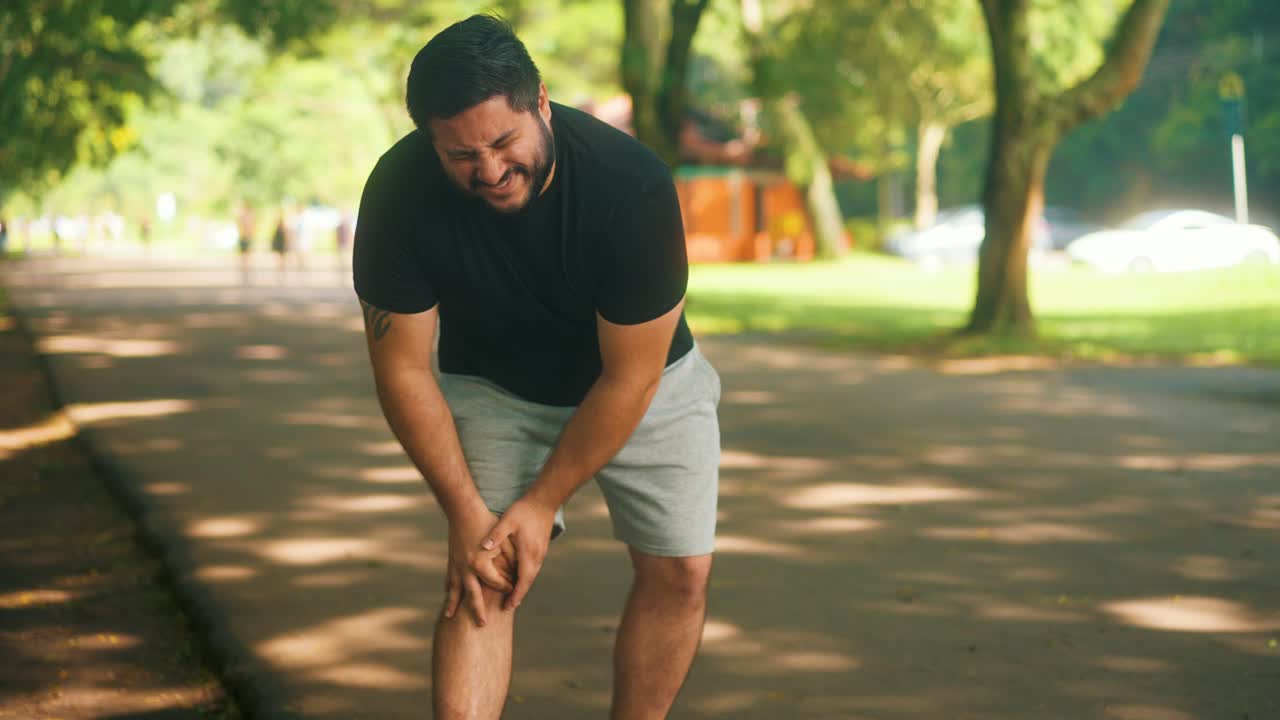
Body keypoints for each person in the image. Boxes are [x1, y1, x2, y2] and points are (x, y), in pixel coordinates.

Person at [352, 14, 721, 720]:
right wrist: (466, 514)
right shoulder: (398, 193)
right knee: (482, 571)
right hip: (496, 384)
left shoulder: (631, 185)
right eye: (459, 154)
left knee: (680, 573)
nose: (488, 170)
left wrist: (543, 499)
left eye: (502, 141)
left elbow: (631, 378)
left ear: (541, 102)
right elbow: (403, 370)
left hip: (643, 384)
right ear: (428, 140)